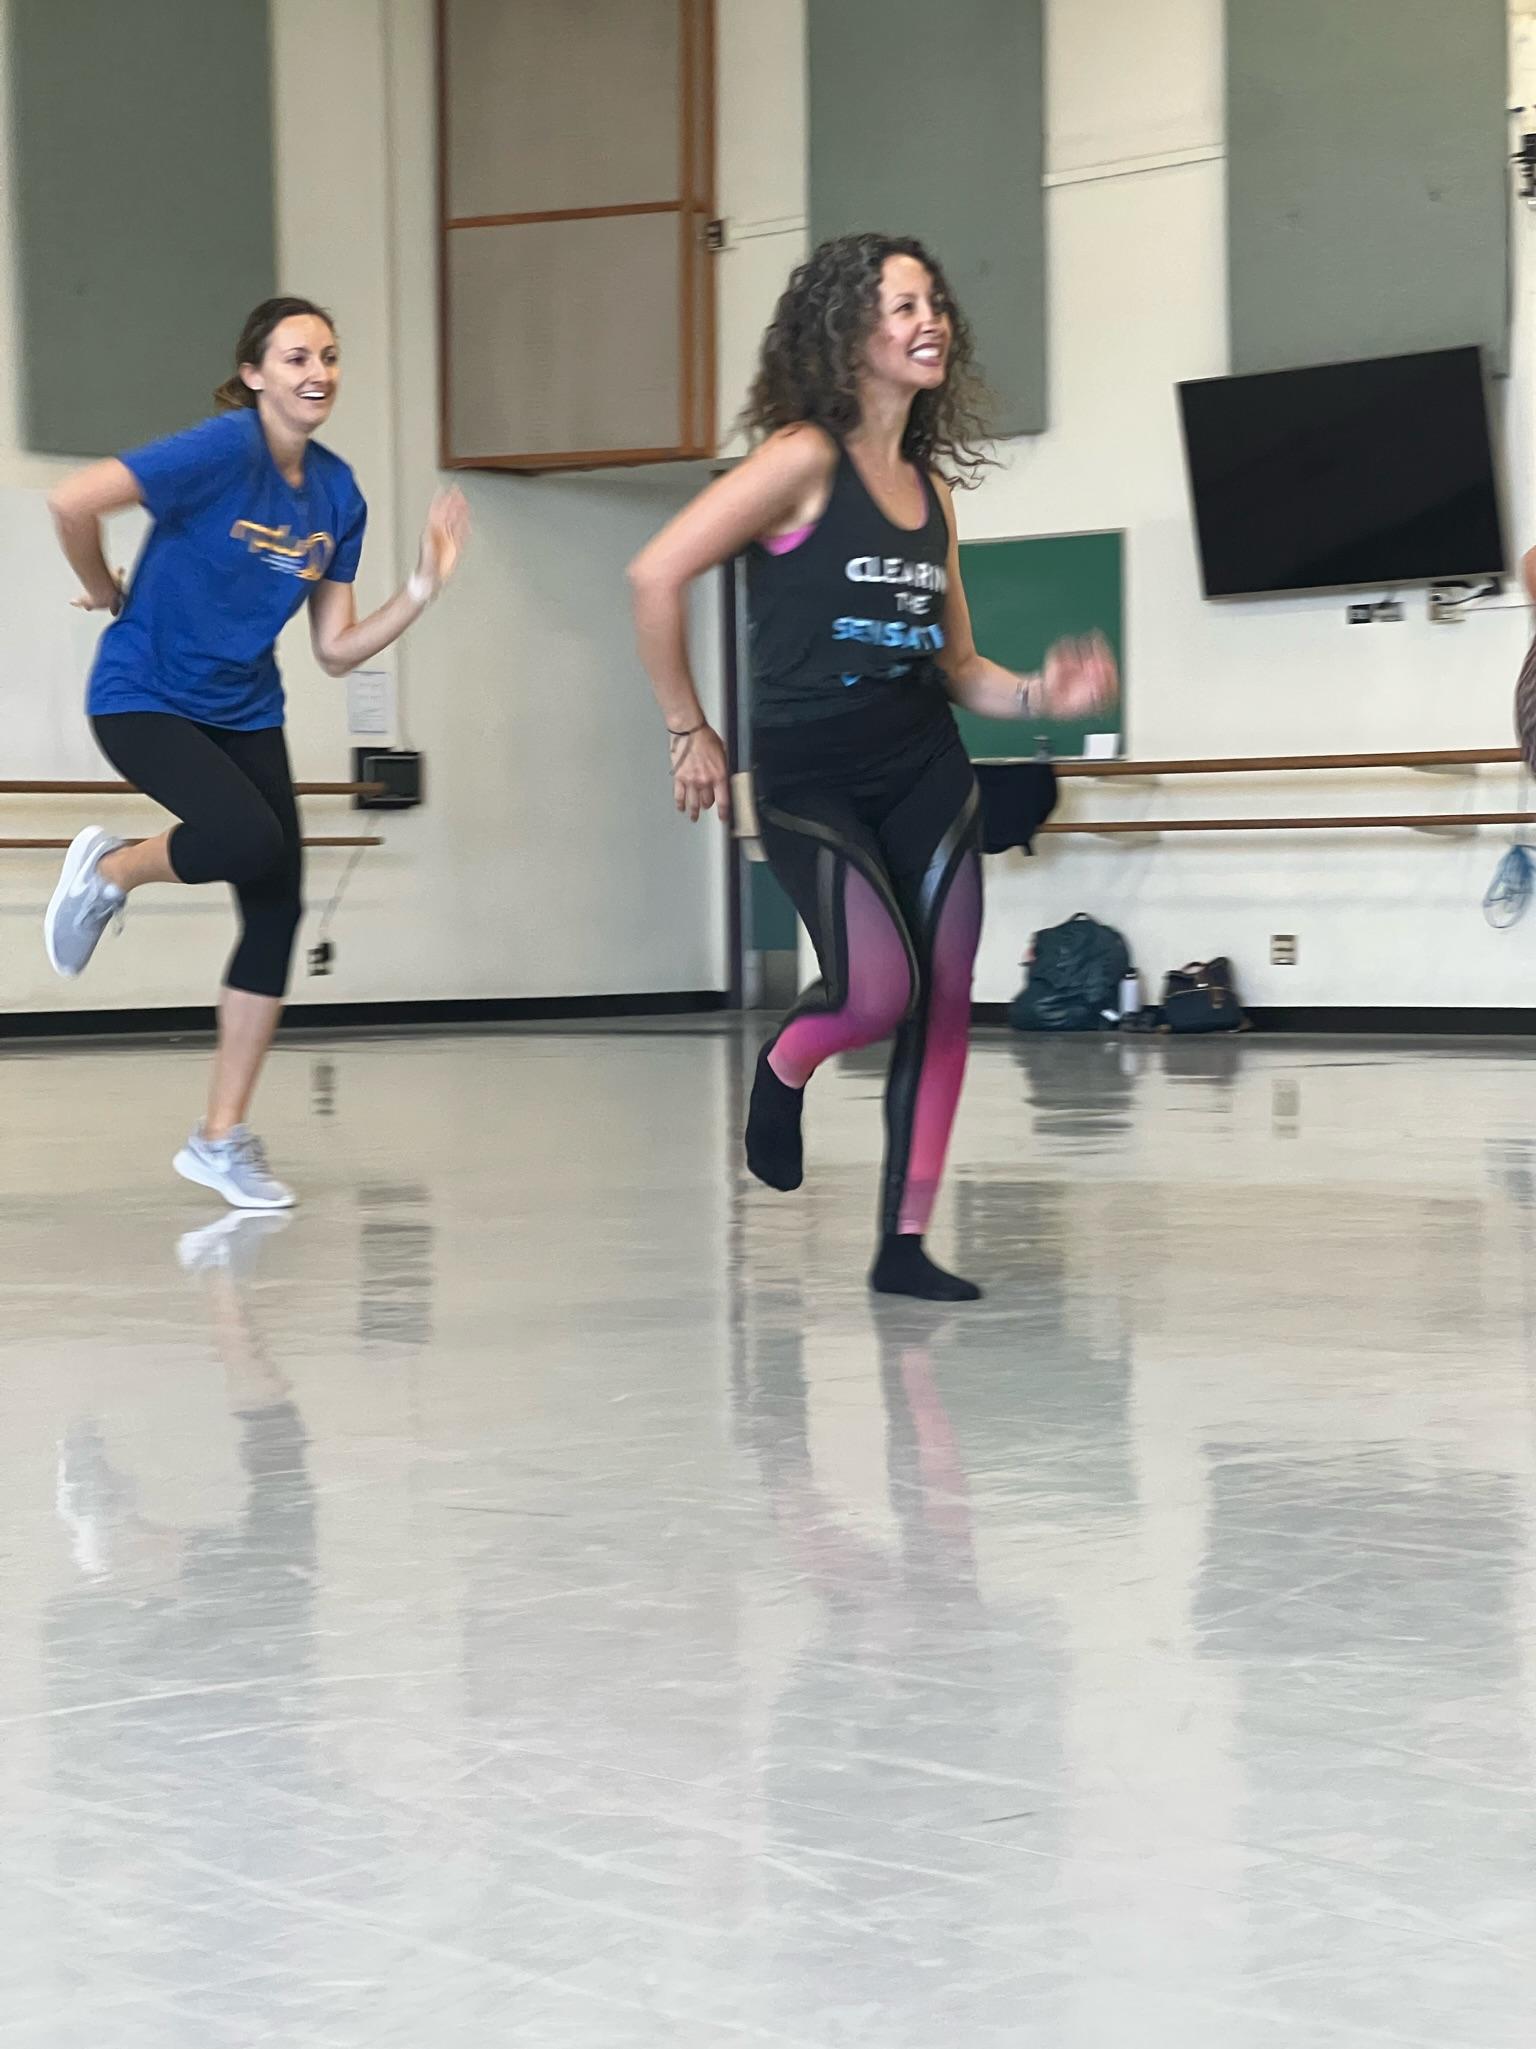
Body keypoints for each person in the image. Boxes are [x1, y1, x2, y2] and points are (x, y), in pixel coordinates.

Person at [629, 233, 1115, 1300]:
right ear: (851, 333)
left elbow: (960, 665)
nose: (927, 319)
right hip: (811, 776)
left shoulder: (933, 494)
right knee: (875, 991)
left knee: (945, 995)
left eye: (932, 301)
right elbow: (656, 573)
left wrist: (1042, 696)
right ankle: (783, 1065)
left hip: (922, 762)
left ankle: (904, 1246)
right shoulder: (801, 460)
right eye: (901, 306)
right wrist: (687, 728)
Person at [43, 296, 469, 1210]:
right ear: (254, 374)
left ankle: (217, 1139)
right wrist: (105, 588)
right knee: (245, 837)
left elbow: (335, 647)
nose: (317, 371)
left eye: (328, 355)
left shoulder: (338, 493)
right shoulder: (219, 449)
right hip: (144, 696)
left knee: (275, 909)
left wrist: (423, 587)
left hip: (245, 709)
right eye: (294, 357)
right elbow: (73, 500)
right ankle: (113, 869)